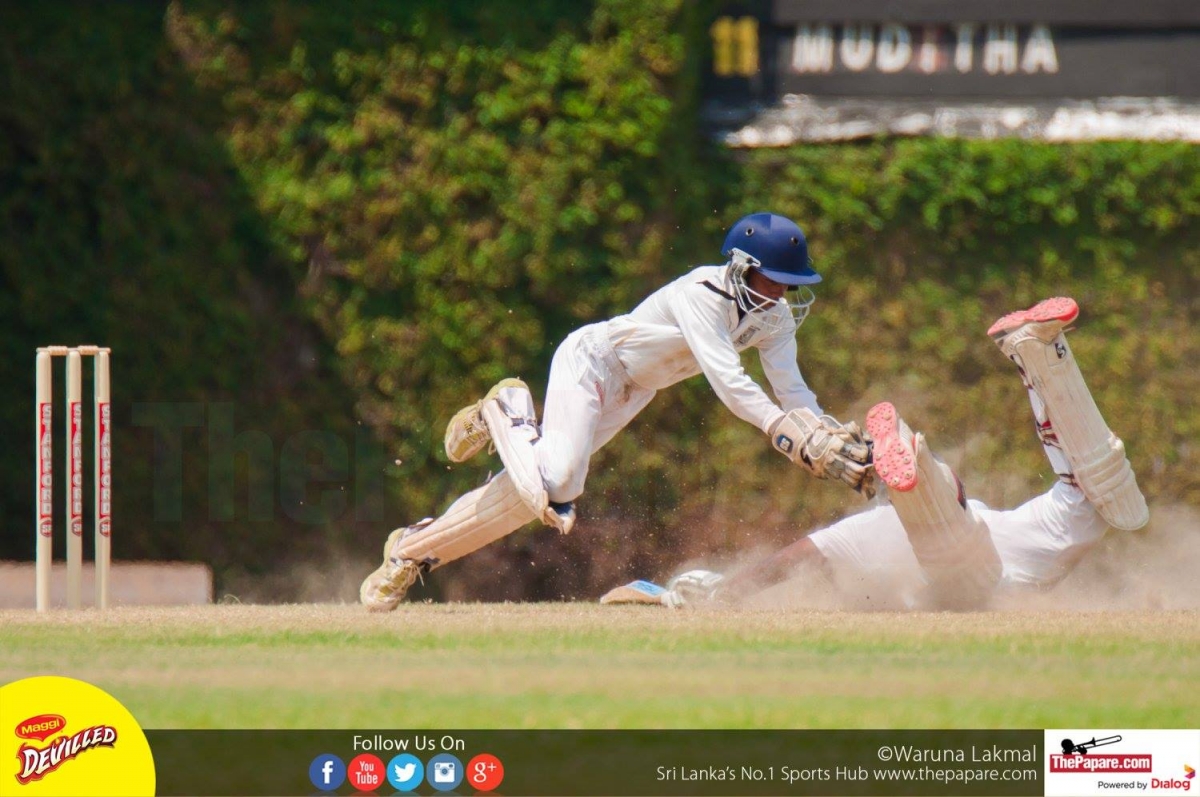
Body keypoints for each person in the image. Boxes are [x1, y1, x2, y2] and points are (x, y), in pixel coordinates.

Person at [360, 212, 874, 611]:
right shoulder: (703, 294)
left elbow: (793, 389)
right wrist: (786, 435)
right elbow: (729, 380)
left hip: (635, 389)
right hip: (594, 363)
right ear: (742, 266)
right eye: (773, 279)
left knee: (530, 495)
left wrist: (822, 434)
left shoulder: (773, 316)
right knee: (560, 485)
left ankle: (412, 551)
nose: (782, 292)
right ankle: (507, 405)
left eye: (789, 282)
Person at [653, 297, 1149, 610]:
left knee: (1098, 494)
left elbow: (793, 558)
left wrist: (727, 592)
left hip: (976, 550)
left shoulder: (866, 536)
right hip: (981, 556)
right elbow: (796, 559)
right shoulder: (869, 535)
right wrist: (726, 590)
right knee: (1085, 501)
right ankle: (1029, 363)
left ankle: (1033, 354)